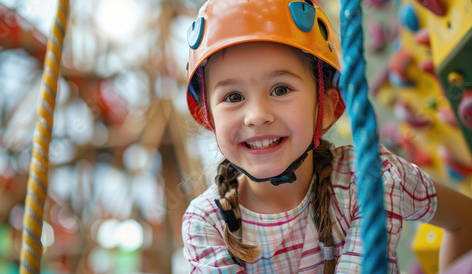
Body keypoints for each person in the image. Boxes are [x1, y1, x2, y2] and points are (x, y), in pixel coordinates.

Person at [181, 0, 472, 273]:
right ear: (210, 118)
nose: (257, 115)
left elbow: (465, 220)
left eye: (281, 89)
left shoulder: (371, 178)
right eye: (233, 96)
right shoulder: (207, 225)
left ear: (328, 106)